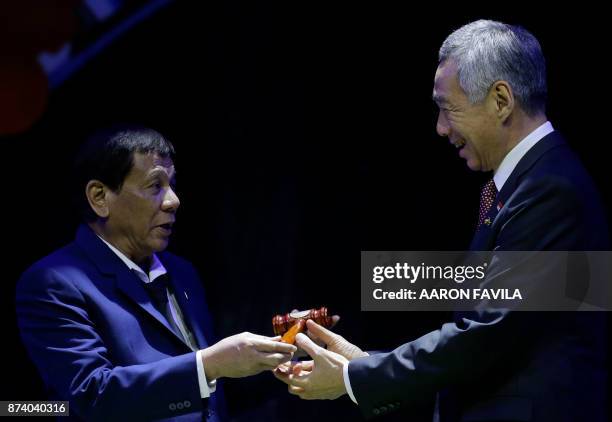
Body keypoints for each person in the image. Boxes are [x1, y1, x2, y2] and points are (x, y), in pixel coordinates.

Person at [275, 19, 609, 421]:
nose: (440, 128)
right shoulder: (527, 184)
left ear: (501, 100)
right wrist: (364, 361)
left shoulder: (552, 191)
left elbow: (487, 335)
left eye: (447, 108)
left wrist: (355, 377)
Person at [16, 126, 296, 421]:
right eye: (155, 186)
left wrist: (286, 347)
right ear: (99, 197)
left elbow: (214, 393)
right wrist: (208, 364)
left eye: (172, 185)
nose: (173, 201)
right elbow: (92, 396)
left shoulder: (182, 272)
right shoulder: (54, 283)